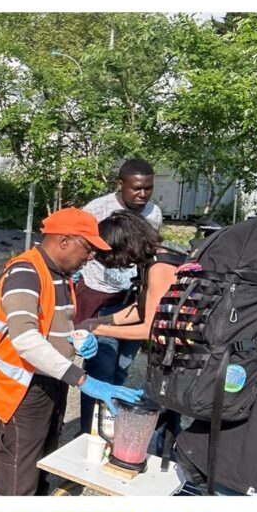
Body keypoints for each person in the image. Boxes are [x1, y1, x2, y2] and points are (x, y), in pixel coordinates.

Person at [0, 208, 142, 495]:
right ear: (65, 240)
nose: (92, 256)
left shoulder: (61, 274)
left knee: (44, 463)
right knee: (19, 476)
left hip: (53, 381)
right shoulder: (25, 272)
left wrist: (77, 339)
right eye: (89, 247)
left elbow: (54, 323)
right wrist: (84, 380)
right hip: (23, 389)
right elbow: (27, 339)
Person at [74, 209, 187, 436]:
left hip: (178, 358)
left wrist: (98, 328)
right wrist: (97, 320)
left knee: (157, 422)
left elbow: (151, 329)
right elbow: (141, 309)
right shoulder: (150, 262)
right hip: (167, 354)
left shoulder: (160, 267)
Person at [74, 159, 163, 434]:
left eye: (148, 188)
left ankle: (108, 421)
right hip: (99, 295)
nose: (142, 194)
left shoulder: (154, 215)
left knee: (121, 368)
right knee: (101, 369)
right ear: (120, 185)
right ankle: (90, 432)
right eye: (137, 188)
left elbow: (145, 321)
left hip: (132, 298)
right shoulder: (96, 210)